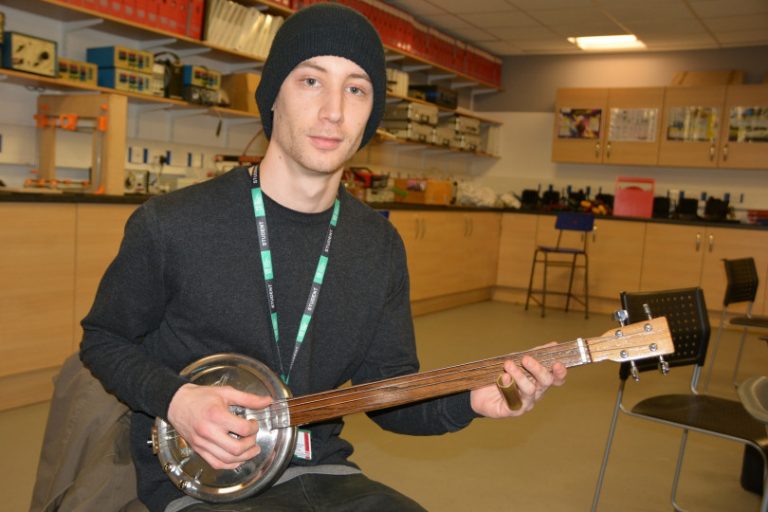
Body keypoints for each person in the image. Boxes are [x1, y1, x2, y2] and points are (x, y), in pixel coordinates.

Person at [80, 4, 567, 512]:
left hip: (323, 468)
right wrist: (176, 399)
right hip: (205, 482)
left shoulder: (376, 246)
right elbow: (104, 339)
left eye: (356, 89)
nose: (334, 110)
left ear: (370, 114)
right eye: (311, 81)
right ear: (273, 98)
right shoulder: (173, 224)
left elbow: (388, 396)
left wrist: (471, 401)